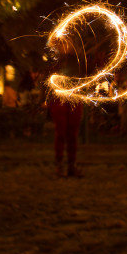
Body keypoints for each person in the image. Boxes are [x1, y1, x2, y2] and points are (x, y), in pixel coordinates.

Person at [46, 39, 84, 178]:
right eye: (61, 44)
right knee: (61, 132)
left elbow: (84, 75)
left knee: (73, 134)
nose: (64, 46)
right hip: (58, 99)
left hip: (74, 98)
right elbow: (47, 78)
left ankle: (71, 166)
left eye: (66, 43)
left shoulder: (78, 60)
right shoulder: (54, 60)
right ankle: (59, 165)